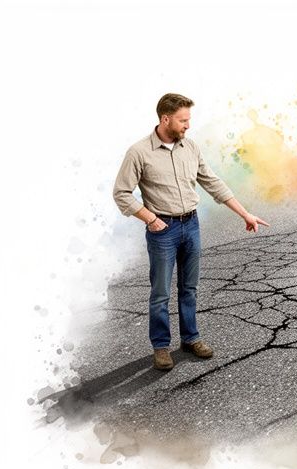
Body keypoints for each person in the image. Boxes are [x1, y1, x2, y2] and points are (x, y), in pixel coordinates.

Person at [113, 93, 269, 371]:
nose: (187, 125)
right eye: (183, 120)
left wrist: (245, 213)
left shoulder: (191, 148)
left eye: (188, 120)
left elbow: (212, 182)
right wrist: (149, 218)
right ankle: (161, 346)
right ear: (166, 119)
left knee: (189, 288)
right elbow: (122, 194)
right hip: (163, 230)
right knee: (160, 292)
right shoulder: (139, 152)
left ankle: (190, 338)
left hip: (191, 225)